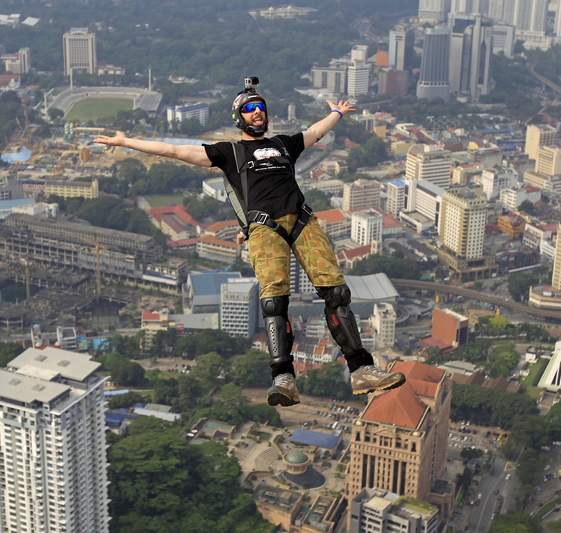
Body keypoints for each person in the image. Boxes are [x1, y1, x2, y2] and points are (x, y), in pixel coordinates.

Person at [94, 77, 406, 407]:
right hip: (264, 227)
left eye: (261, 108)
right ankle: (284, 378)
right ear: (239, 117)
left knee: (337, 292)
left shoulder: (285, 144)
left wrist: (337, 114)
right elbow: (173, 150)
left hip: (301, 219)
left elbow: (314, 133)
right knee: (274, 300)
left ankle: (362, 370)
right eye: (249, 109)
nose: (257, 113)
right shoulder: (228, 152)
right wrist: (125, 141)